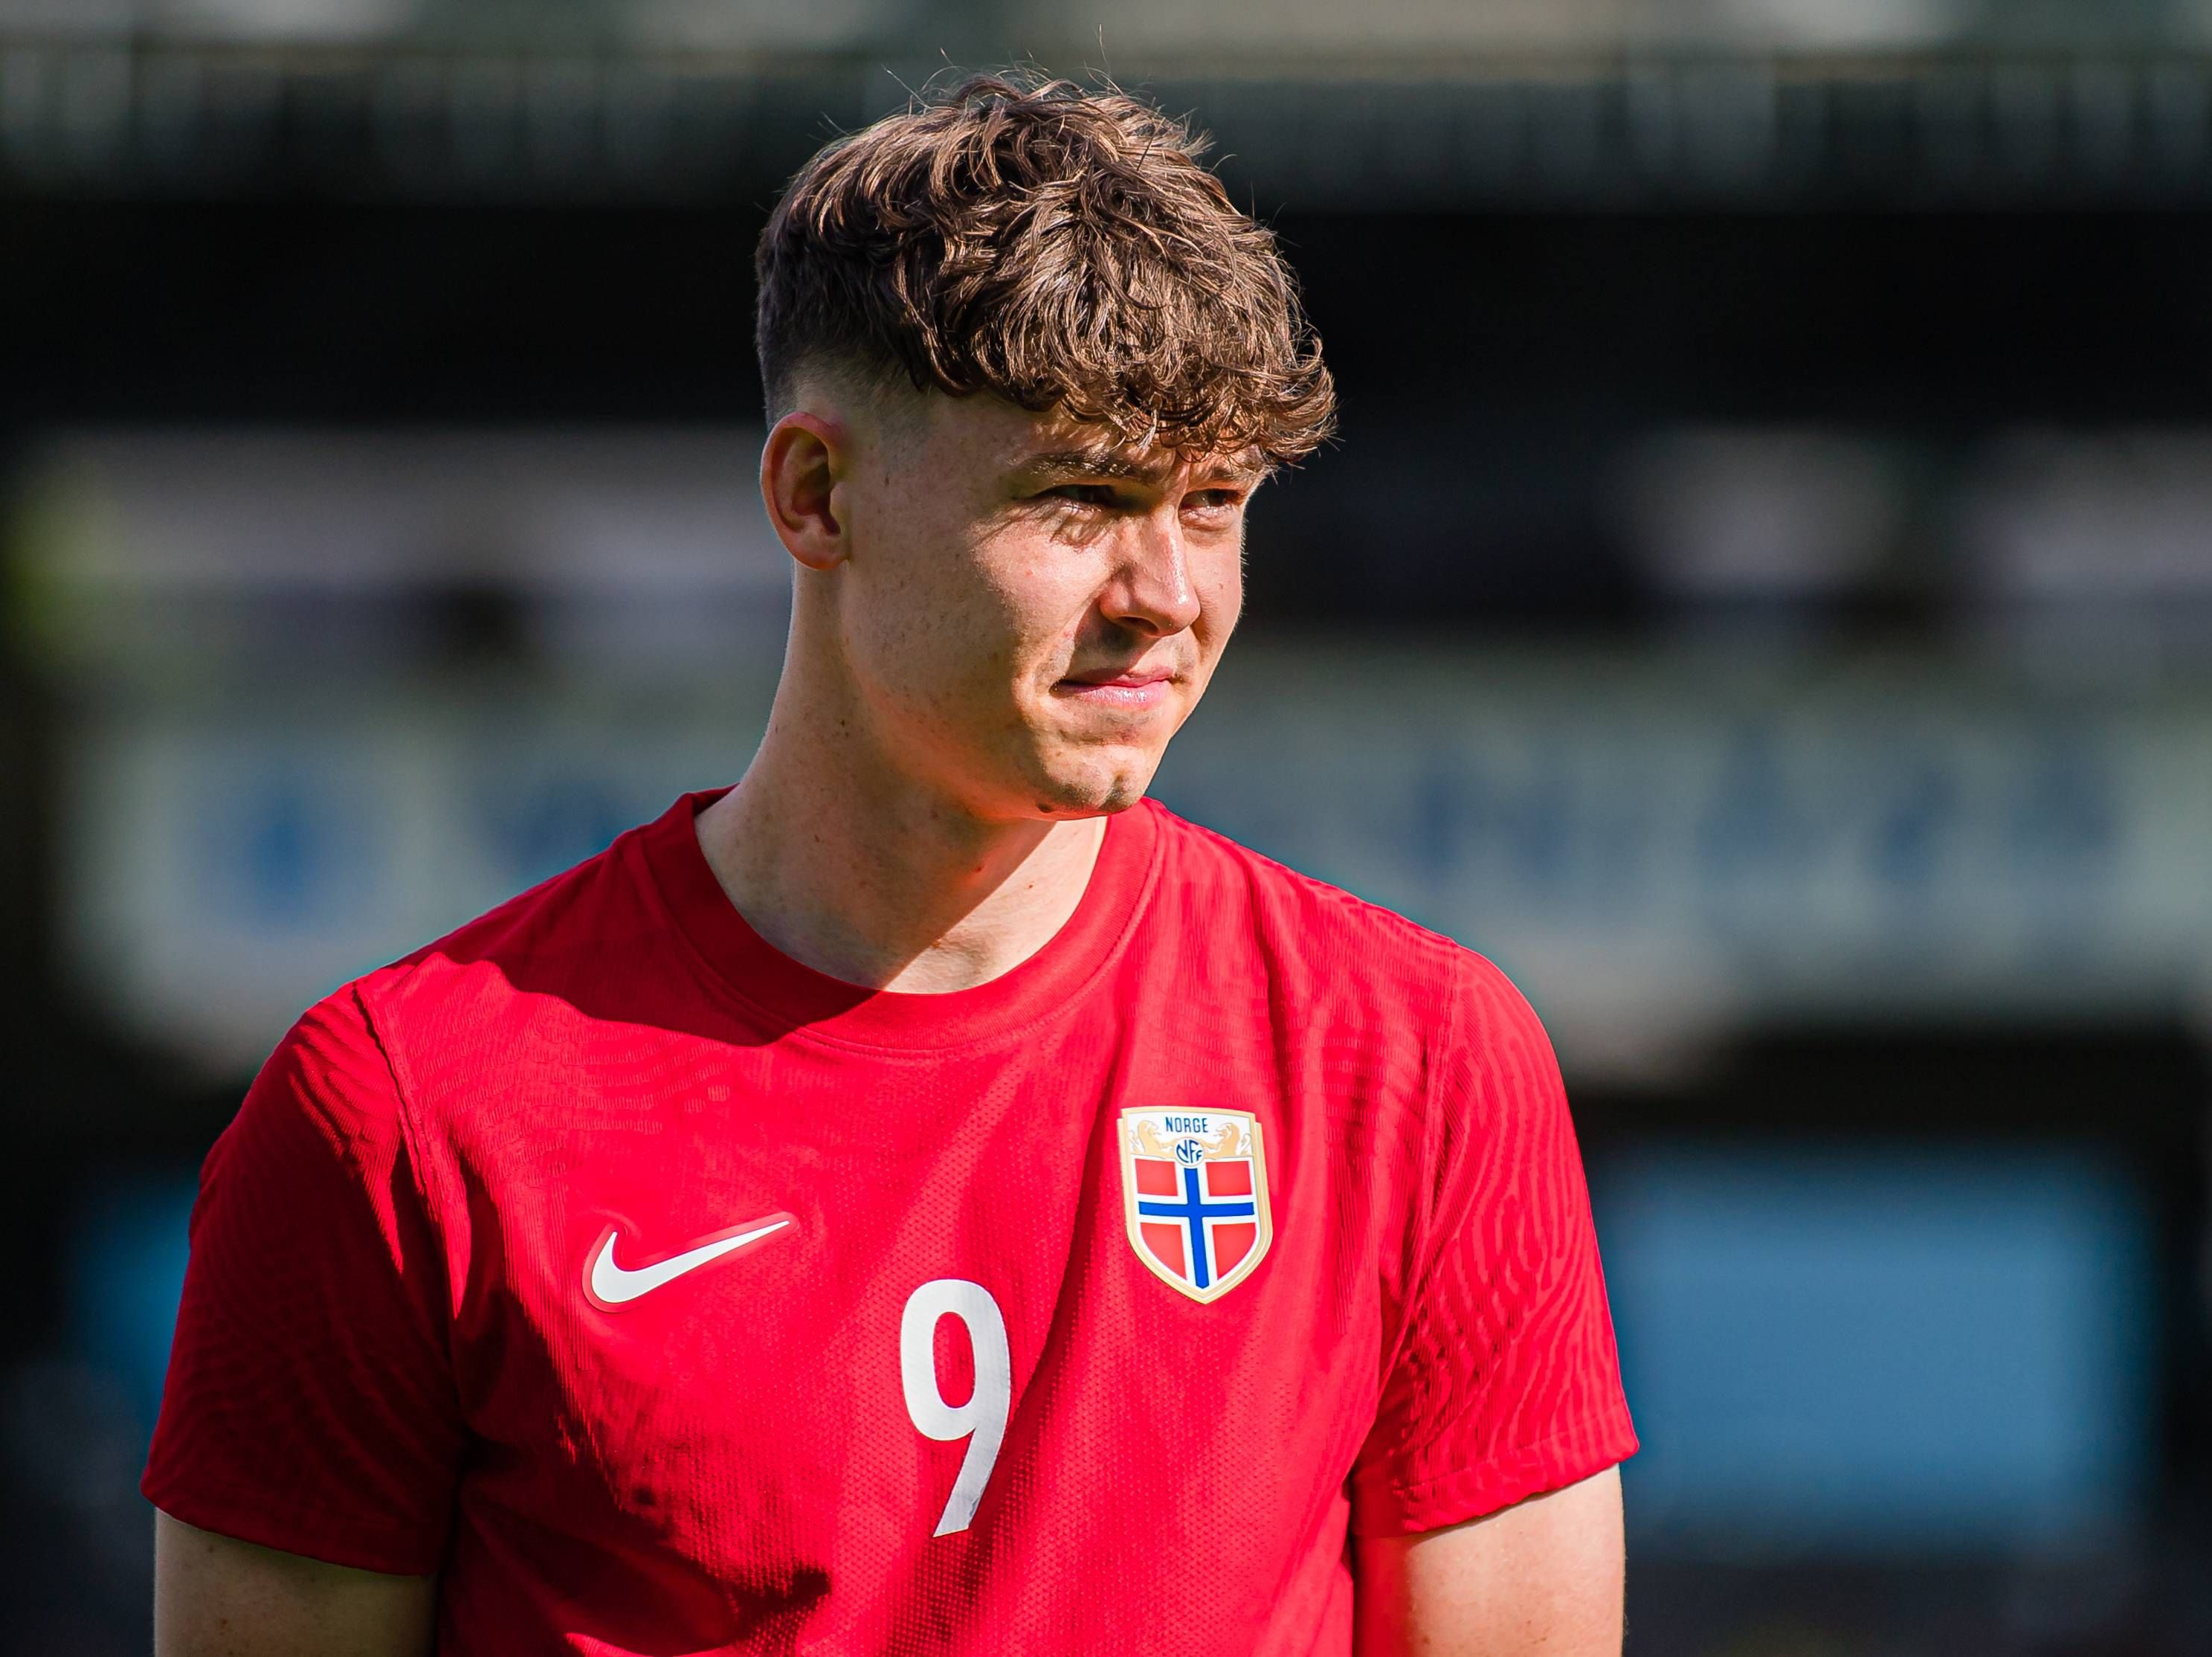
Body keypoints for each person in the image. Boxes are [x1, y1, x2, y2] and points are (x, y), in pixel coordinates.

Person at [146, 72, 1636, 1657]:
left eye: (1214, 504)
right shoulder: (399, 1113)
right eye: (1083, 496)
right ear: (815, 496)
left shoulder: (1417, 1067)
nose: (1169, 592)